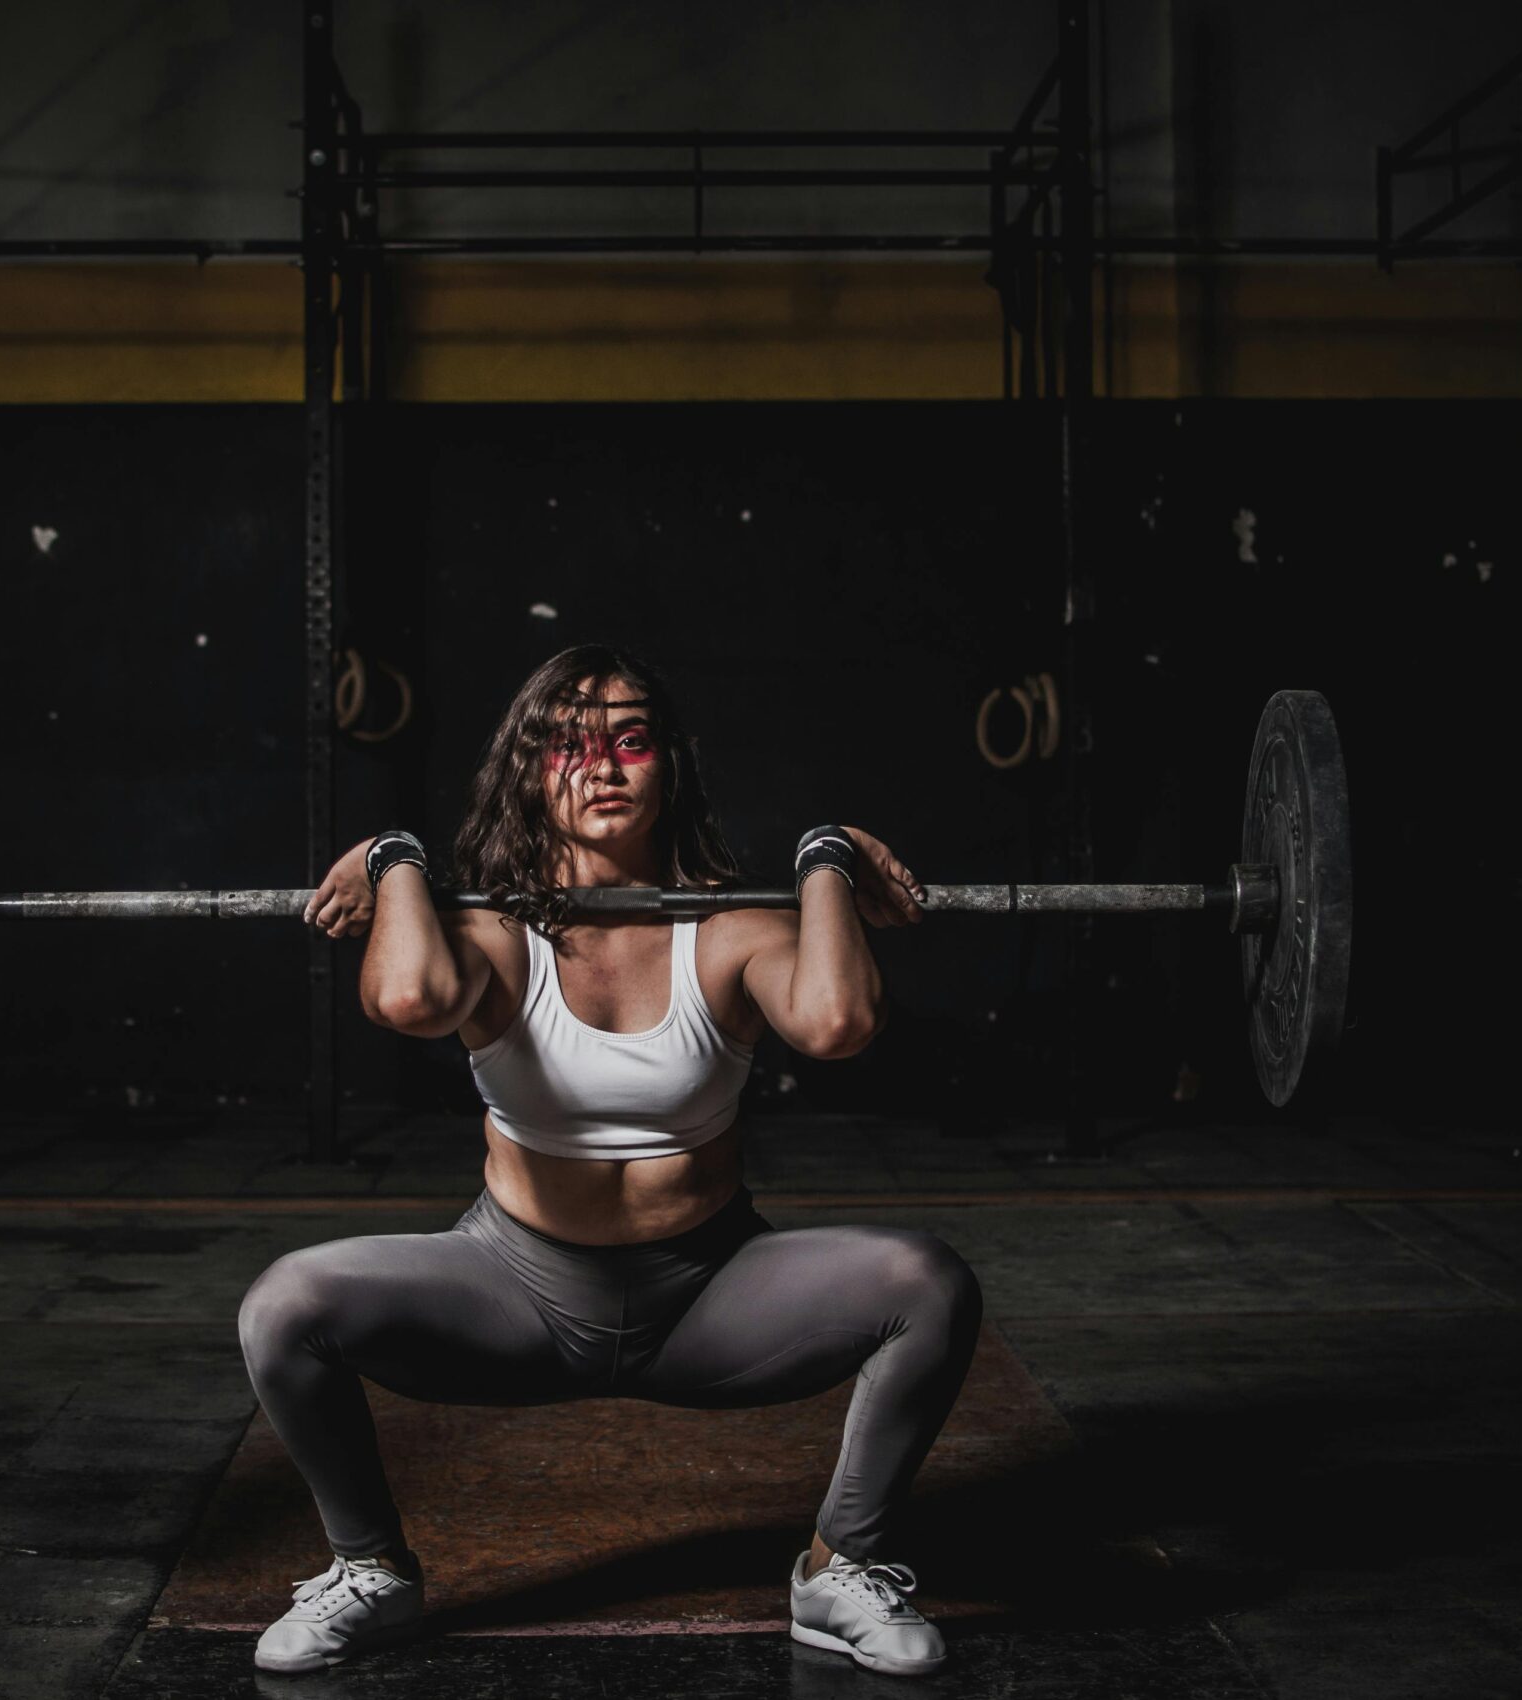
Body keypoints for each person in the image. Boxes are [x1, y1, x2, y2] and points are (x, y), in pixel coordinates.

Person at [239, 642, 983, 1676]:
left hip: (710, 1294)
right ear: (528, 770)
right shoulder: (496, 933)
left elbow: (838, 1020)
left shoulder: (729, 929)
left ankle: (839, 1566)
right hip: (513, 1294)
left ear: (666, 764)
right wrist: (394, 857)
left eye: (629, 739)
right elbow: (408, 999)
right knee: (284, 1304)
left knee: (928, 1282)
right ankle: (371, 1567)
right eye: (567, 744)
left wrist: (825, 859)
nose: (602, 764)